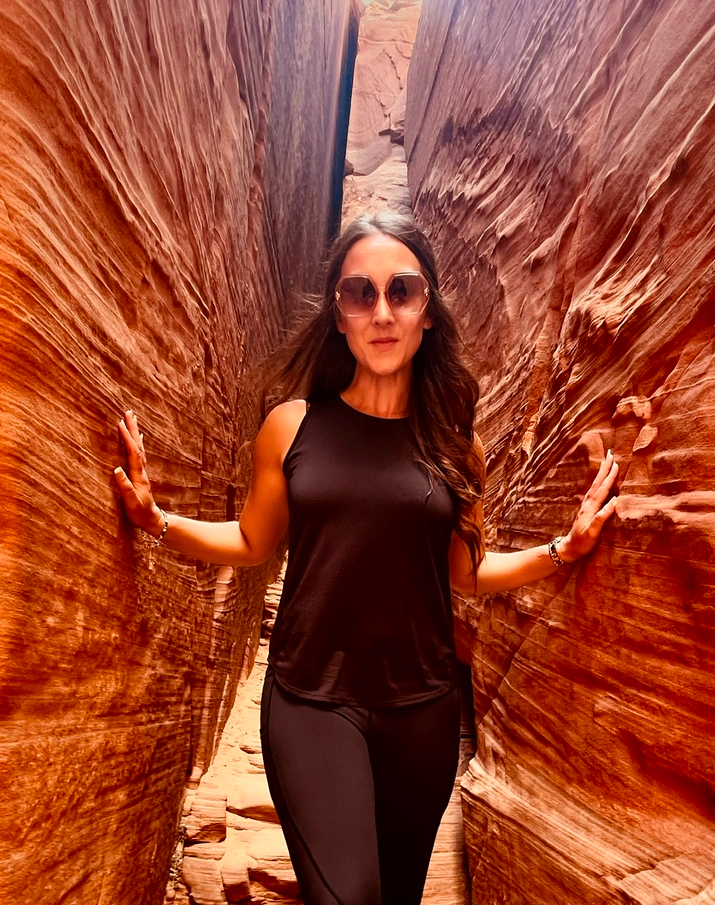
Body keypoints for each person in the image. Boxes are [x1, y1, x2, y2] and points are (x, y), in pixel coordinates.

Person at [114, 212, 618, 905]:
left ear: (427, 313)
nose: (381, 311)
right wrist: (156, 519)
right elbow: (252, 541)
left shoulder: (454, 447)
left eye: (401, 291)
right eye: (360, 293)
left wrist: (564, 549)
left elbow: (465, 573)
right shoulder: (291, 427)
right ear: (338, 315)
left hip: (423, 710)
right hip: (312, 701)